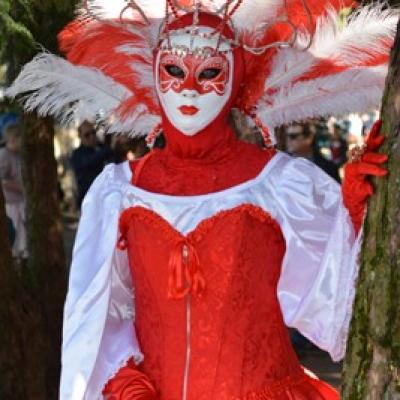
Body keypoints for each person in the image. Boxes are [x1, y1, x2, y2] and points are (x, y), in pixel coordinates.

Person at [7, 1, 395, 399]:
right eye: (175, 71)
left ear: (237, 75)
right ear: (155, 73)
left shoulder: (279, 183)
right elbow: (99, 315)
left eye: (209, 72)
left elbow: (337, 310)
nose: (189, 88)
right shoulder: (118, 193)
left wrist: (352, 213)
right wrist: (121, 379)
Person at [70, 120, 113, 207]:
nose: (92, 137)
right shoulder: (77, 154)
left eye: (93, 132)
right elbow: (88, 162)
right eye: (87, 135)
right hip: (89, 201)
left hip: (106, 198)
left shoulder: (103, 148)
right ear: (80, 136)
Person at [0, 123, 27, 257]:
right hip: (11, 204)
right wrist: (21, 188)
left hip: (21, 202)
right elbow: (2, 181)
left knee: (24, 240)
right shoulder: (4, 155)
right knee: (16, 241)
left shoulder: (17, 154)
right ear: (13, 139)